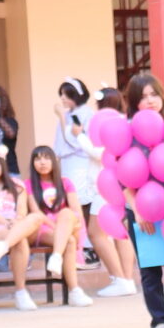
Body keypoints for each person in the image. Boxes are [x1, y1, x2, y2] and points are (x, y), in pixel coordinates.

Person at [106, 73, 164, 328]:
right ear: (134, 102)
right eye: (143, 97)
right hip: (141, 210)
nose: (150, 101)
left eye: (154, 94)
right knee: (150, 270)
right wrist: (138, 210)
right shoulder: (127, 133)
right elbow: (122, 178)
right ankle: (160, 324)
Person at [53, 77, 136, 298]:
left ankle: (119, 278)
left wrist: (79, 135)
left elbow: (99, 153)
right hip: (117, 183)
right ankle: (127, 280)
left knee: (96, 233)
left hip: (106, 184)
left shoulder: (108, 123)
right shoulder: (123, 122)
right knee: (120, 233)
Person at [0, 146, 48, 310]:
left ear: (3, 164)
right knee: (20, 241)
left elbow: (22, 211)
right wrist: (7, 223)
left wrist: (16, 221)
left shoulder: (16, 184)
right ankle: (21, 292)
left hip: (15, 225)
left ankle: (4, 246)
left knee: (37, 217)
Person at [26, 146, 93, 307]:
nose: (42, 162)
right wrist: (58, 230)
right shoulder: (29, 184)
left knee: (66, 213)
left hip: (68, 224)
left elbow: (76, 211)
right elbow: (36, 213)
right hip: (44, 229)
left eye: (46, 158)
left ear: (54, 161)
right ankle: (74, 291)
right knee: (68, 241)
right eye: (38, 159)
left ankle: (56, 257)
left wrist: (73, 229)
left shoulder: (65, 182)